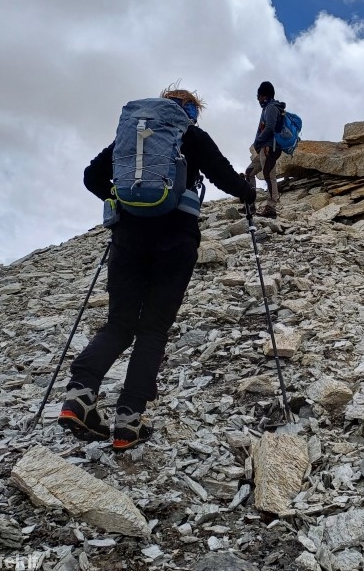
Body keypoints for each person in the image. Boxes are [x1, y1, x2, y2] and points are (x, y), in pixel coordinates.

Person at [59, 87, 257, 450]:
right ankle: (128, 421)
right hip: (176, 242)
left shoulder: (131, 137)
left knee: (119, 324)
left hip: (127, 241)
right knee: (152, 330)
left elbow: (92, 176)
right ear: (190, 112)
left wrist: (119, 202)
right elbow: (225, 178)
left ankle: (79, 395)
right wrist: (248, 192)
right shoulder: (191, 135)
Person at [244, 80, 283, 218]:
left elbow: (270, 128)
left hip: (269, 147)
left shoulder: (271, 108)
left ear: (263, 95)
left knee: (269, 175)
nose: (257, 99)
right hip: (264, 148)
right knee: (249, 172)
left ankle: (271, 207)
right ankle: (250, 204)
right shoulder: (268, 108)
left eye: (258, 96)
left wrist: (258, 141)